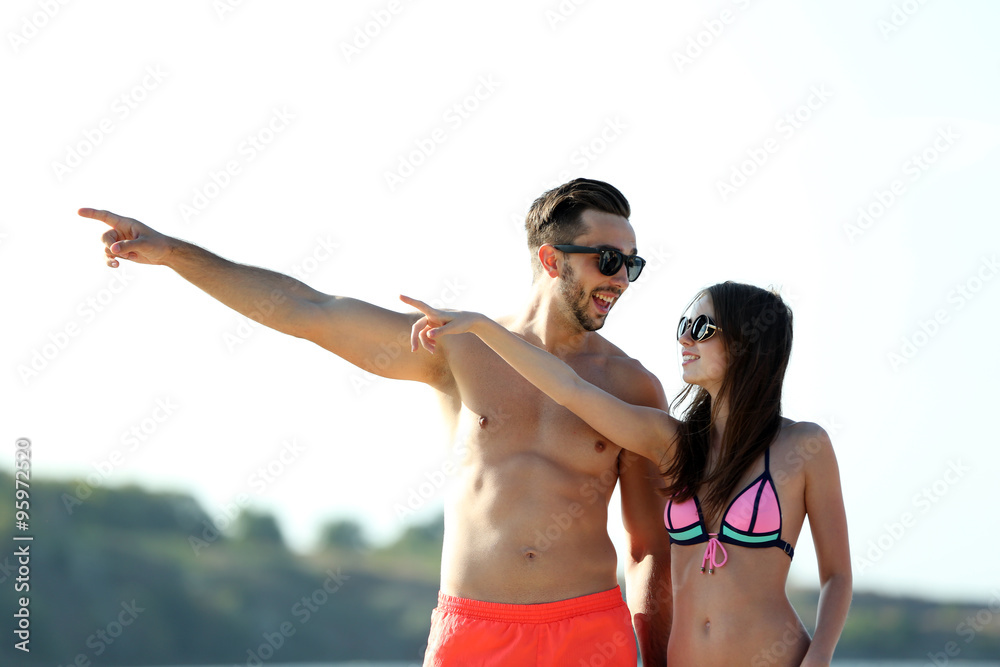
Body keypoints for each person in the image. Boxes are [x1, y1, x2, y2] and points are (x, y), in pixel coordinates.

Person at [79, 178, 672, 666]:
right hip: (476, 631)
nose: (621, 280)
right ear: (551, 259)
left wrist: (657, 657)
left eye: (632, 265)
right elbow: (308, 309)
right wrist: (173, 252)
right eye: (609, 261)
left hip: (588, 633)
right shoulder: (459, 347)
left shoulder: (632, 387)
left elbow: (648, 547)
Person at [402, 280, 853, 666]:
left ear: (745, 343)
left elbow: (837, 575)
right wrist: (482, 327)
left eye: (702, 328)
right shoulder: (671, 441)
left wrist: (819, 659)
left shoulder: (803, 446)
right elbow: (570, 388)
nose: (685, 340)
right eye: (683, 327)